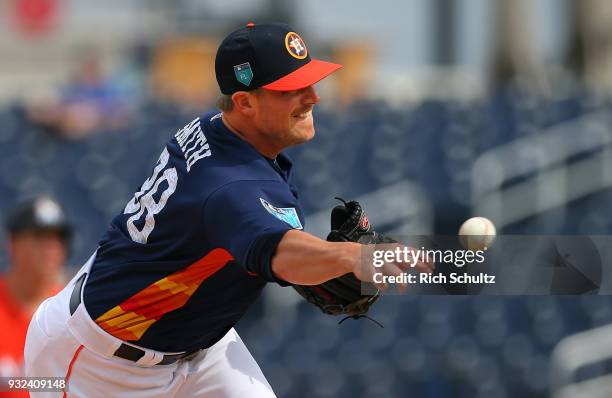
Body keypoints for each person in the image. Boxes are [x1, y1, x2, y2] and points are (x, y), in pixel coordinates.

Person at [25, 22, 433, 397]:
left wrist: (319, 260)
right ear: (244, 102)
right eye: (292, 88)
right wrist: (353, 257)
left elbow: (250, 234)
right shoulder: (228, 185)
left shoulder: (219, 129)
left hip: (196, 345)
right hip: (97, 365)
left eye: (310, 81)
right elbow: (279, 251)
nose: (314, 97)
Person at [0, 196, 71, 397]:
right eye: (40, 238)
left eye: (58, 239)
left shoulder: (73, 313)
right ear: (12, 244)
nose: (50, 249)